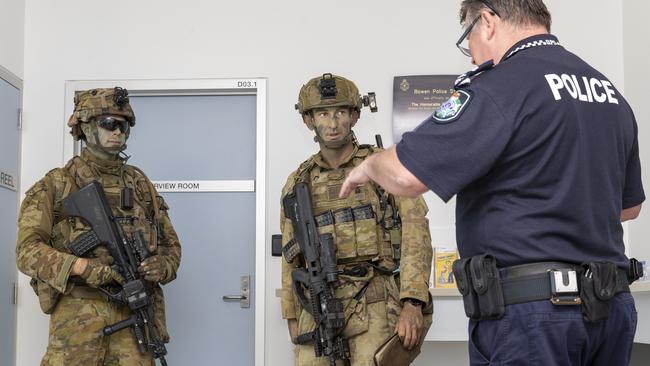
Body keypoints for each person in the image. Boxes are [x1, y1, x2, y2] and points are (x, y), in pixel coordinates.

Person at [339, 1, 644, 365]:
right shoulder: (609, 94)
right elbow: (629, 207)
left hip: (533, 317)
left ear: (487, 21)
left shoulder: (500, 86)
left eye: (468, 40)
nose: (471, 57)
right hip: (610, 308)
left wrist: (370, 164)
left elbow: (405, 175)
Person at [16, 87, 182, 365]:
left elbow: (171, 247)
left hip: (135, 322)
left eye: (124, 125)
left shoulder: (140, 186)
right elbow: (27, 252)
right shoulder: (56, 184)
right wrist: (81, 267)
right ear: (85, 126)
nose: (118, 131)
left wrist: (161, 266)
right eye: (109, 123)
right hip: (77, 325)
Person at [280, 73, 433, 365]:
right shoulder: (298, 183)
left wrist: (412, 302)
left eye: (340, 112)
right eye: (323, 113)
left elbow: (417, 235)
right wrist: (291, 313)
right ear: (309, 121)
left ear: (354, 115)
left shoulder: (384, 166)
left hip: (375, 301)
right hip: (318, 304)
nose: (333, 123)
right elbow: (291, 253)